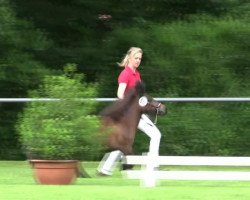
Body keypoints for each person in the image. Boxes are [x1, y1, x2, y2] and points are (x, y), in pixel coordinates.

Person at [97, 47, 162, 176]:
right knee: (154, 135)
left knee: (123, 143)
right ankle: (153, 165)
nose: (138, 61)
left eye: (140, 59)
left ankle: (104, 170)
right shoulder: (125, 74)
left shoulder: (137, 74)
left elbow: (138, 96)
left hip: (137, 113)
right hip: (128, 115)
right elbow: (120, 93)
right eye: (136, 58)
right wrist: (126, 109)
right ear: (130, 58)